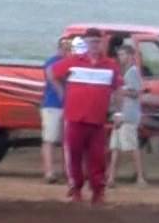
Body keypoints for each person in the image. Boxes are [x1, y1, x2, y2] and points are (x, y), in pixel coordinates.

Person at [51, 29, 121, 204]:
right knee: (73, 155)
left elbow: (118, 89)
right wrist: (62, 93)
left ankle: (98, 191)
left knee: (98, 157)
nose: (94, 45)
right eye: (91, 42)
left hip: (97, 120)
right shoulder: (73, 62)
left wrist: (119, 112)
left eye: (97, 42)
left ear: (102, 43)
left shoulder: (110, 65)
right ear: (86, 43)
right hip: (75, 118)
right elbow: (52, 73)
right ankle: (75, 189)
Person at [108, 44, 147, 188]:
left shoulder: (132, 72)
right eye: (120, 55)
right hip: (121, 114)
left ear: (130, 56)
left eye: (123, 54)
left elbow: (136, 93)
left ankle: (140, 177)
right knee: (116, 147)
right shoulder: (126, 72)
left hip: (128, 114)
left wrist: (121, 92)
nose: (120, 57)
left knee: (130, 147)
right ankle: (111, 178)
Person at [40, 37, 72, 184]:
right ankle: (49, 172)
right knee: (50, 139)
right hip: (52, 105)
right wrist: (61, 92)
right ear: (59, 48)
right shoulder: (53, 62)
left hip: (66, 106)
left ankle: (66, 171)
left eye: (68, 47)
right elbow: (51, 75)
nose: (66, 50)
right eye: (64, 47)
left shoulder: (70, 63)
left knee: (66, 140)